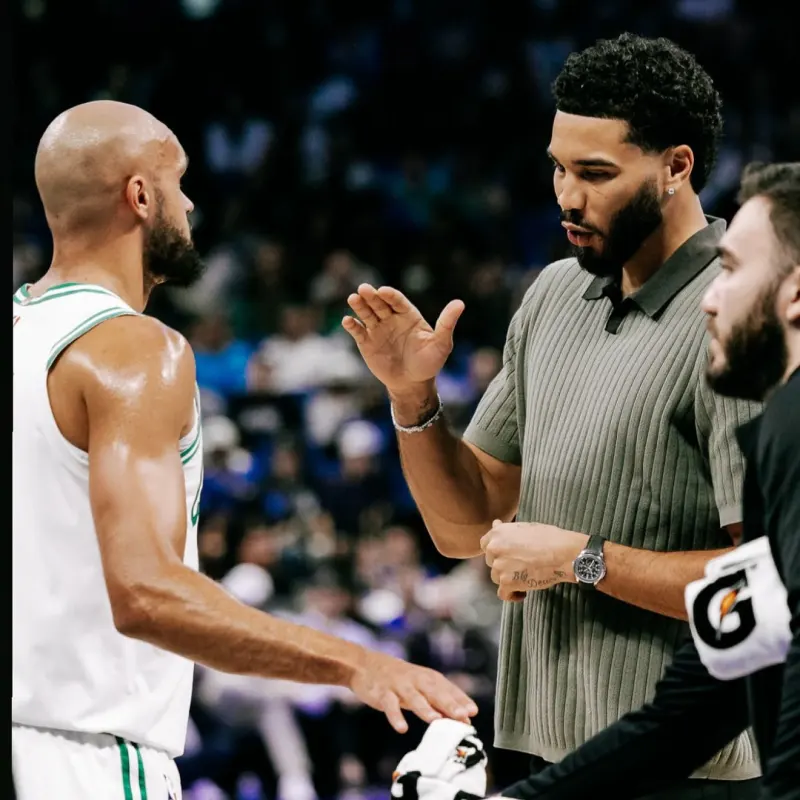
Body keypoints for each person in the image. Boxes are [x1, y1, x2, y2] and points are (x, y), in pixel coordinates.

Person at [11, 100, 478, 800]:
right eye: (178, 181)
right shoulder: (135, 349)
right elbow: (145, 593)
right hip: (87, 760)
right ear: (140, 195)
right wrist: (358, 664)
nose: (191, 202)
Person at [344, 34, 762, 797]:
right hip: (542, 757)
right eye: (559, 168)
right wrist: (412, 399)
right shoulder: (553, 295)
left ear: (677, 167)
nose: (567, 196)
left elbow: (765, 585)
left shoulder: (738, 313)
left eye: (596, 174)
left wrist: (581, 559)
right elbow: (462, 526)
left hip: (692, 772)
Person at [389, 161, 800, 800]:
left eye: (734, 271)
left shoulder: (784, 430)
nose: (711, 296)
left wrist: (582, 560)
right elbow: (698, 703)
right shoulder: (782, 432)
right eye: (555, 165)